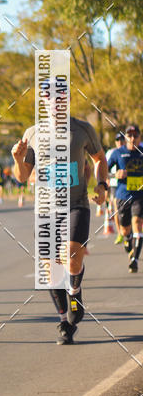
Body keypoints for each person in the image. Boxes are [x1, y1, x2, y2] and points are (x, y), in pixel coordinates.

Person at [12, 105, 108, 345]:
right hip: (46, 210)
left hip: (76, 205)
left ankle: (74, 293)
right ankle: (65, 322)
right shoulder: (33, 133)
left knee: (72, 255)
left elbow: (99, 158)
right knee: (50, 271)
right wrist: (17, 158)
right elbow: (23, 176)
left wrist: (102, 184)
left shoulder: (82, 129)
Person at [107, 124, 143, 272]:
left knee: (137, 223)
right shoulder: (117, 153)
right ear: (126, 137)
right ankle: (128, 244)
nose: (133, 138)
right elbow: (105, 171)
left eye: (135, 136)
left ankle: (134, 259)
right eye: (130, 136)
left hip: (139, 196)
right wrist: (115, 175)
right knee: (124, 230)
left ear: (140, 137)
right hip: (122, 196)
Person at [107, 132, 125, 245]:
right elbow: (105, 170)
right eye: (118, 140)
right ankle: (120, 233)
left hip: (127, 185)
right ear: (115, 142)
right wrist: (114, 175)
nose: (120, 142)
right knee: (117, 210)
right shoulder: (111, 153)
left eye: (122, 140)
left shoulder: (130, 152)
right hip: (114, 184)